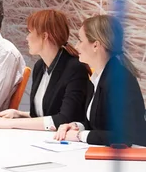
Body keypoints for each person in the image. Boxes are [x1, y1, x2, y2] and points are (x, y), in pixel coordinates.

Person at [0, 9, 90, 131]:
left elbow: (63, 119)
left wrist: (10, 124)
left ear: (45, 36)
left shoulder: (74, 68)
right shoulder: (39, 66)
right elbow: (43, 114)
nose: (27, 38)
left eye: (30, 32)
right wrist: (18, 114)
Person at [55, 14, 146, 145]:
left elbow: (124, 136)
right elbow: (97, 123)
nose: (77, 46)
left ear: (96, 45)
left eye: (80, 40)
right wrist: (76, 126)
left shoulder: (118, 80)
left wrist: (80, 135)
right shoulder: (98, 77)